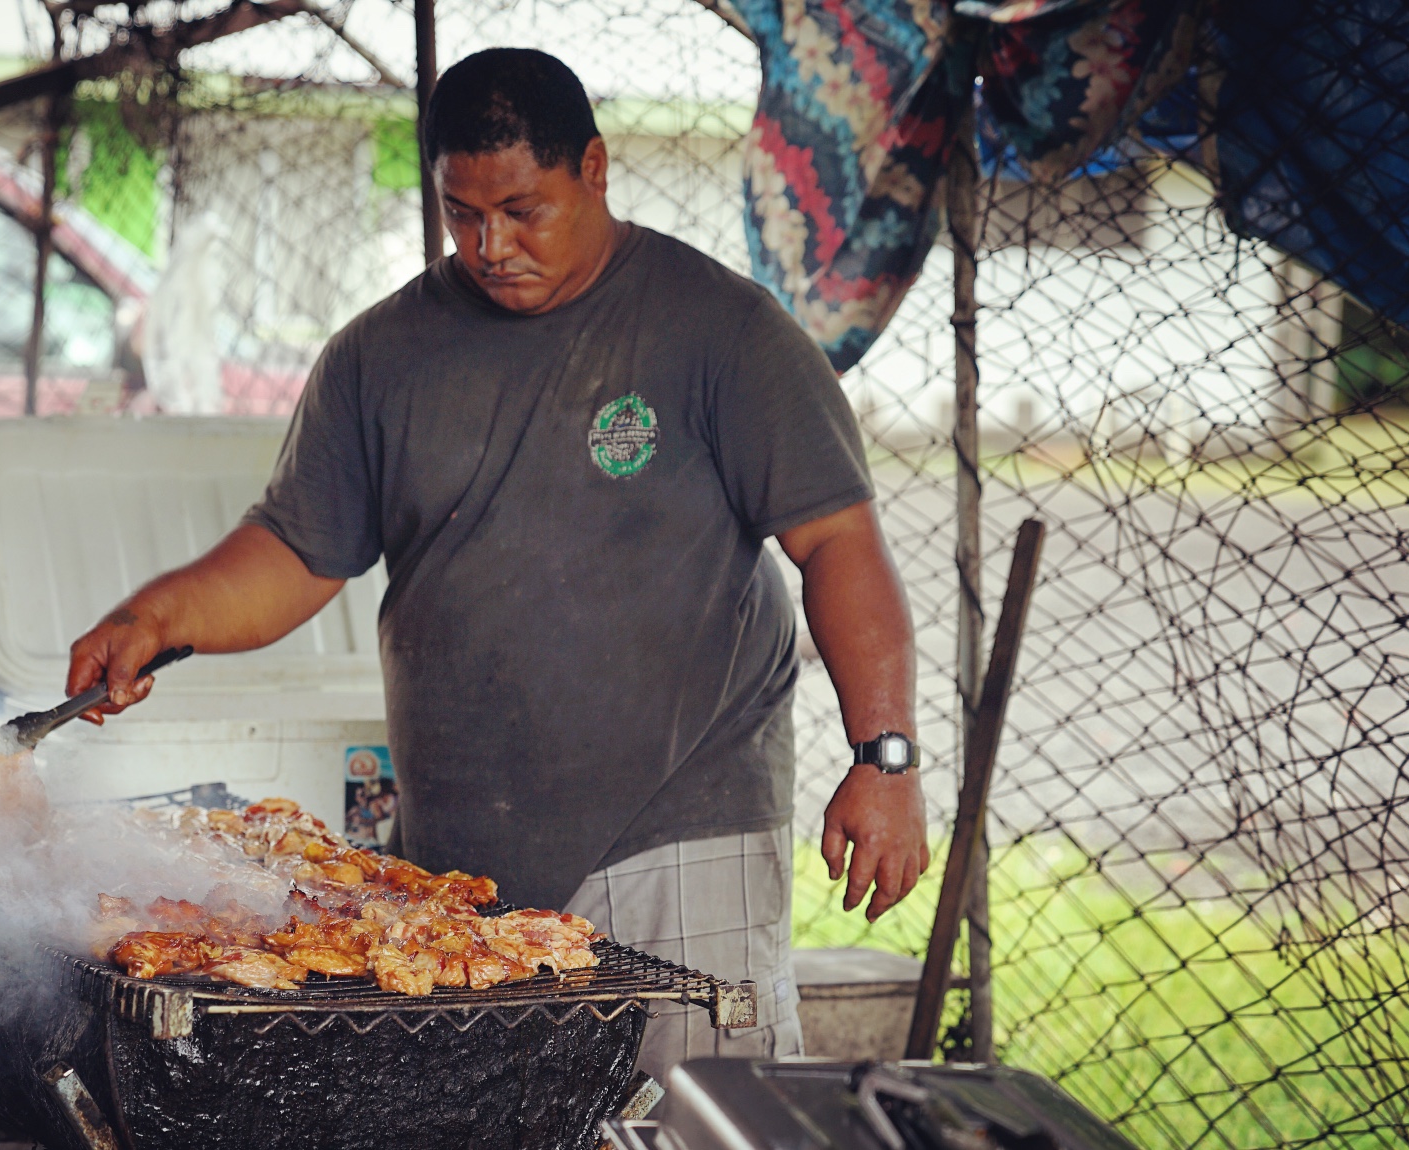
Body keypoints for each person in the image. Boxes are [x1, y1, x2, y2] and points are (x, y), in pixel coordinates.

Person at [64, 47, 929, 1076]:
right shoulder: (376, 359)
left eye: (523, 209)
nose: (490, 245)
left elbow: (836, 540)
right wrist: (154, 618)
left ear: (595, 170)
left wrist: (884, 759)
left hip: (678, 823)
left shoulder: (721, 331)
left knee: (688, 1117)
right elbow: (295, 553)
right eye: (460, 214)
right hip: (458, 858)